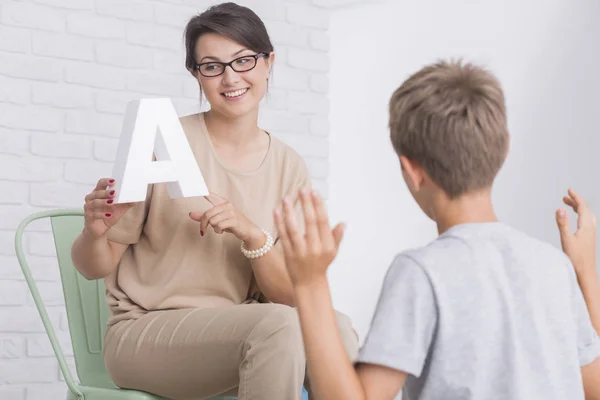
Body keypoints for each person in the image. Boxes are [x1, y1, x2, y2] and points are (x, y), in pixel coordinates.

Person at [70, 3, 358, 400]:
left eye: (243, 60)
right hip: (146, 334)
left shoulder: (288, 165)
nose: (230, 78)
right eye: (212, 66)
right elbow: (92, 267)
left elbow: (292, 296)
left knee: (336, 328)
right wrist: (94, 232)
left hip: (239, 328)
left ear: (268, 62)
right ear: (196, 74)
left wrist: (251, 234)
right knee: (278, 326)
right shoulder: (162, 143)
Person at [273, 60, 600, 399]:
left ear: (411, 171)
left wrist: (310, 283)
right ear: (504, 150)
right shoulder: (553, 266)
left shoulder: (421, 273)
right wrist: (584, 270)